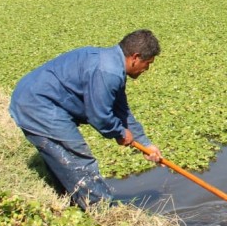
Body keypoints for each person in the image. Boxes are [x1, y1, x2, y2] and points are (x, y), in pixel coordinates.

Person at [9, 29, 162, 209]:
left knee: (61, 154)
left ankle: (69, 199)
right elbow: (99, 115)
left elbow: (121, 110)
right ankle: (101, 209)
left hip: (38, 99)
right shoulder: (109, 72)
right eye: (147, 63)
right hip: (37, 105)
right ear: (135, 57)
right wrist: (119, 132)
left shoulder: (111, 63)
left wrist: (145, 143)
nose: (146, 69)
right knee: (77, 155)